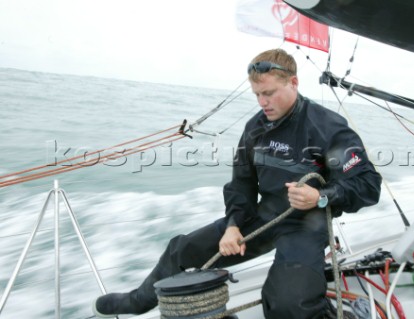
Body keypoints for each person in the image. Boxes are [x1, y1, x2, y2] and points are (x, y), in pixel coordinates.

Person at [93, 48, 382, 319]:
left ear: (293, 82)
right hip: (262, 216)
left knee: (286, 303)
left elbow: (369, 184)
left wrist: (320, 196)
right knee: (180, 249)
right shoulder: (255, 127)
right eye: (257, 94)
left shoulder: (327, 127)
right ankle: (137, 301)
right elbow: (241, 183)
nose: (262, 102)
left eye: (268, 93)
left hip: (305, 225)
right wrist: (233, 225)